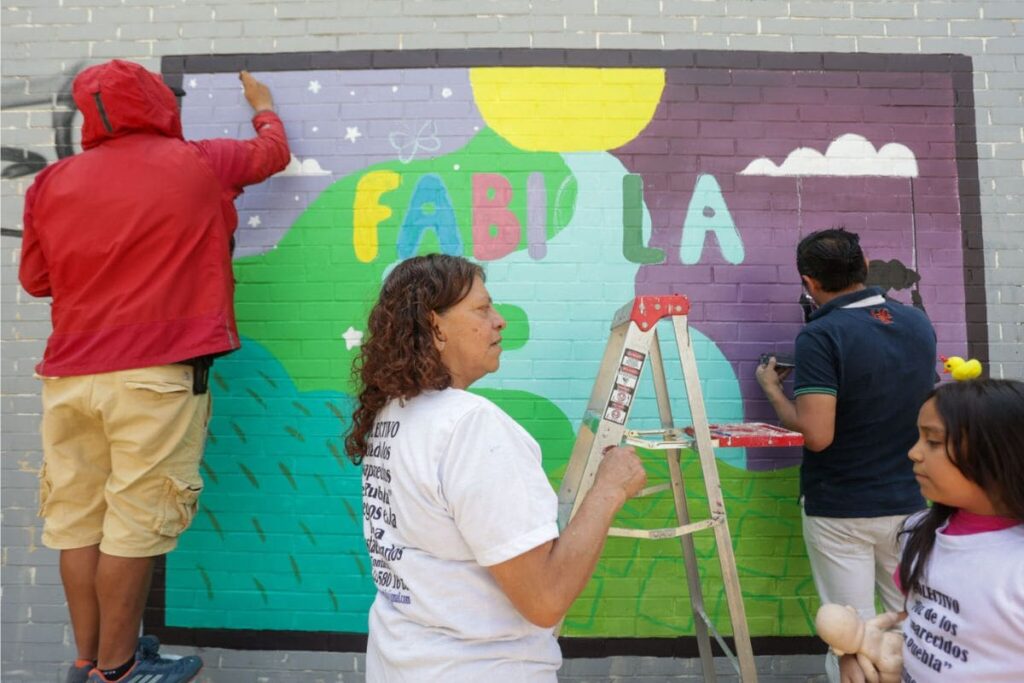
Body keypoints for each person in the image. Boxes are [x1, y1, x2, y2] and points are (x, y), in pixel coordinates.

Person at [19, 60, 290, 683]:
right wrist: (263, 103)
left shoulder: (52, 182)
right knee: (135, 526)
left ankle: (89, 661)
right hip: (153, 379)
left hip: (69, 380)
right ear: (155, 104)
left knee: (77, 523)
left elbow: (36, 281)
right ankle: (118, 672)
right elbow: (271, 153)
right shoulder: (199, 161)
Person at [344, 254, 647, 682]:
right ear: (436, 326)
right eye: (483, 308)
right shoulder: (469, 426)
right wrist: (609, 490)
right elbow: (545, 600)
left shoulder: (395, 414)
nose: (499, 321)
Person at [755, 227, 936, 682]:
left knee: (853, 635)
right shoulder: (917, 322)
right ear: (864, 266)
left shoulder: (821, 335)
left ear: (809, 282)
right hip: (911, 504)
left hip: (841, 509)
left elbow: (817, 433)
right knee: (911, 626)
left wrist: (774, 393)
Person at [839, 379, 1024, 682]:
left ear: (1000, 453)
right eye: (919, 438)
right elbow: (921, 617)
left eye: (933, 442)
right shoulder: (918, 531)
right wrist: (863, 651)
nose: (914, 453)